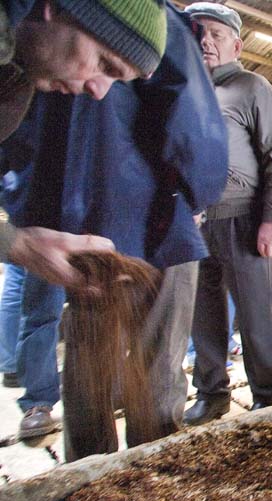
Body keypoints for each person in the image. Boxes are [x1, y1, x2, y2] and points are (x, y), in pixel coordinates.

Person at [1, 2, 229, 456]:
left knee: (89, 358)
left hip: (72, 231)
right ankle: (156, 465)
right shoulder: (146, 20)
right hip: (155, 223)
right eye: (104, 65)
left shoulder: (37, 55)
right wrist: (196, 197)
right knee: (159, 357)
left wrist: (26, 223)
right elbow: (195, 131)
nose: (98, 90)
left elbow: (18, 146)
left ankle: (86, 466)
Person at [0, 0, 168, 288]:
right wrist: (18, 246)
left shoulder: (16, 82)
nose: (99, 91)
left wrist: (17, 245)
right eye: (104, 64)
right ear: (54, 8)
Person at [183, 3, 272, 426]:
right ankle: (212, 393)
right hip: (194, 221)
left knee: (254, 312)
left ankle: (266, 393)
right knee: (204, 313)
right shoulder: (186, 90)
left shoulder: (252, 87)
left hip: (242, 218)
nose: (206, 41)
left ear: (236, 42)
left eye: (215, 33)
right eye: (198, 33)